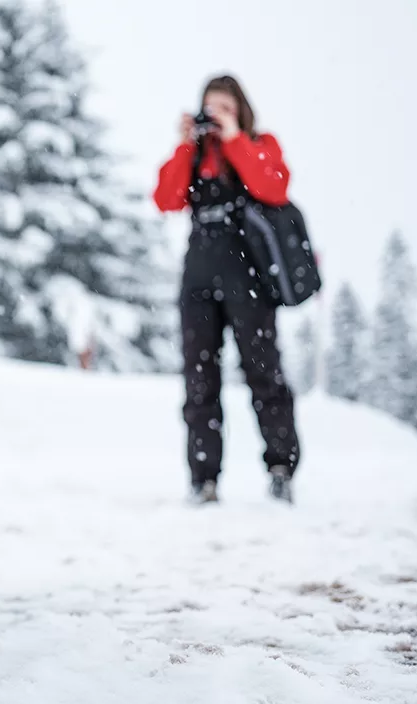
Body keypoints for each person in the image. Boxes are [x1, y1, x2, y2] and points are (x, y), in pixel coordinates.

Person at [153, 75, 300, 505]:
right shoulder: (195, 155)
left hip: (248, 276)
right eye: (209, 107)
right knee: (199, 379)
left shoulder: (258, 144)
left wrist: (235, 138)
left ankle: (280, 468)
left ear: (240, 110)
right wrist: (184, 145)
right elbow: (166, 199)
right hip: (198, 274)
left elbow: (273, 186)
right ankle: (204, 477)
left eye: (224, 107)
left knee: (263, 373)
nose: (215, 116)